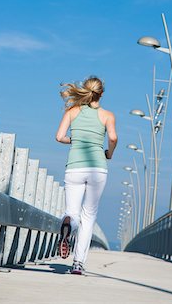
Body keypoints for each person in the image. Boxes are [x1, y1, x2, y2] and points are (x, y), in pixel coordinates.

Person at [55, 76, 117, 275]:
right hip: (97, 168)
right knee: (88, 215)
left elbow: (59, 137)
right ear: (102, 94)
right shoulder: (107, 115)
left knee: (72, 212)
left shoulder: (72, 111)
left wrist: (74, 140)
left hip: (74, 167)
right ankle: (78, 263)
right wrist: (109, 153)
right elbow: (113, 138)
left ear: (84, 91)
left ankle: (67, 223)